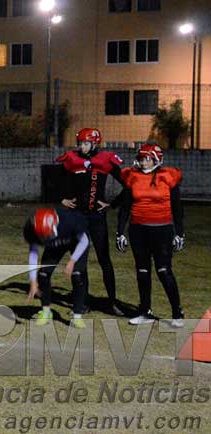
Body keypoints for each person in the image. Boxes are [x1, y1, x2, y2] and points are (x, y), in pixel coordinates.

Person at [55, 128, 125, 316]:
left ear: (95, 143)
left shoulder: (105, 160)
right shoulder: (72, 159)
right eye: (79, 143)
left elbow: (128, 183)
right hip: (78, 217)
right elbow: (55, 179)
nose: (81, 146)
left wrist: (112, 204)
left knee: (104, 260)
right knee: (80, 260)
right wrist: (62, 197)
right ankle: (82, 303)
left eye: (85, 143)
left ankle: (112, 302)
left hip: (97, 218)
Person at [115, 143, 184, 328]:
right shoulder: (133, 177)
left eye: (147, 158)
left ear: (155, 159)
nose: (143, 162)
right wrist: (120, 232)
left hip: (162, 230)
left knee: (164, 271)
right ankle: (145, 311)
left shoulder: (168, 176)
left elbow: (177, 208)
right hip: (138, 230)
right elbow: (125, 208)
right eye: (142, 158)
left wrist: (180, 233)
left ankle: (177, 312)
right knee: (142, 272)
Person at [24, 207, 90, 328]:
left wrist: (72, 260)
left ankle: (77, 316)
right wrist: (32, 280)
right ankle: (46, 311)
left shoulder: (70, 221)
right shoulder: (32, 229)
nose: (43, 239)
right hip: (56, 244)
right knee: (43, 274)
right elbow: (33, 253)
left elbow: (84, 241)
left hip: (76, 241)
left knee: (77, 275)